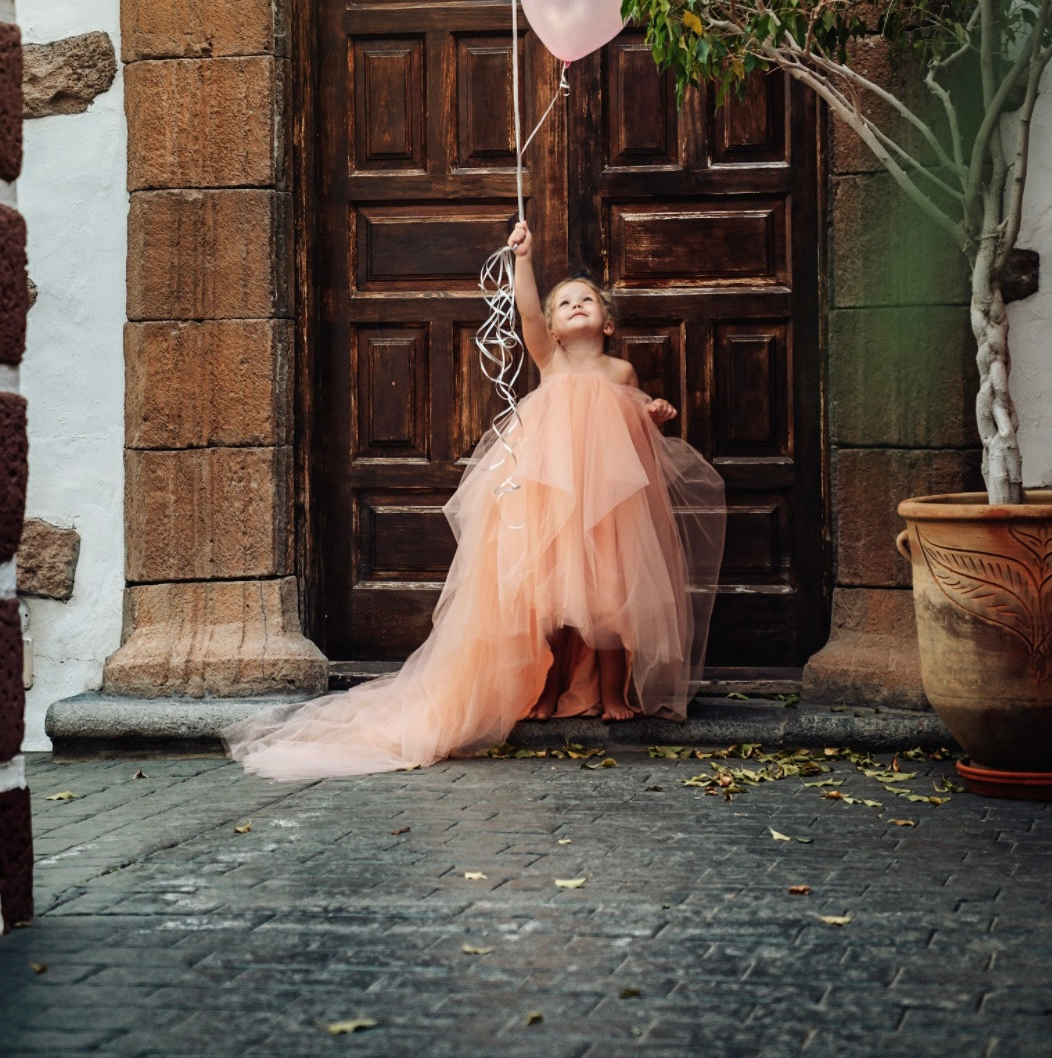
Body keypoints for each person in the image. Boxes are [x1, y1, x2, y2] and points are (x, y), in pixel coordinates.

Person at [225, 221, 726, 780]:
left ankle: (612, 691)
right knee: (554, 607)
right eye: (567, 303)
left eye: (587, 300)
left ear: (607, 323)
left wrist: (653, 410)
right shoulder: (551, 362)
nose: (576, 305)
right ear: (556, 330)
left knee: (606, 602)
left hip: (604, 510)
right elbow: (527, 312)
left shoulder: (620, 370)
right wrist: (525, 260)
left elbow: (630, 439)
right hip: (554, 502)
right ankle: (549, 687)